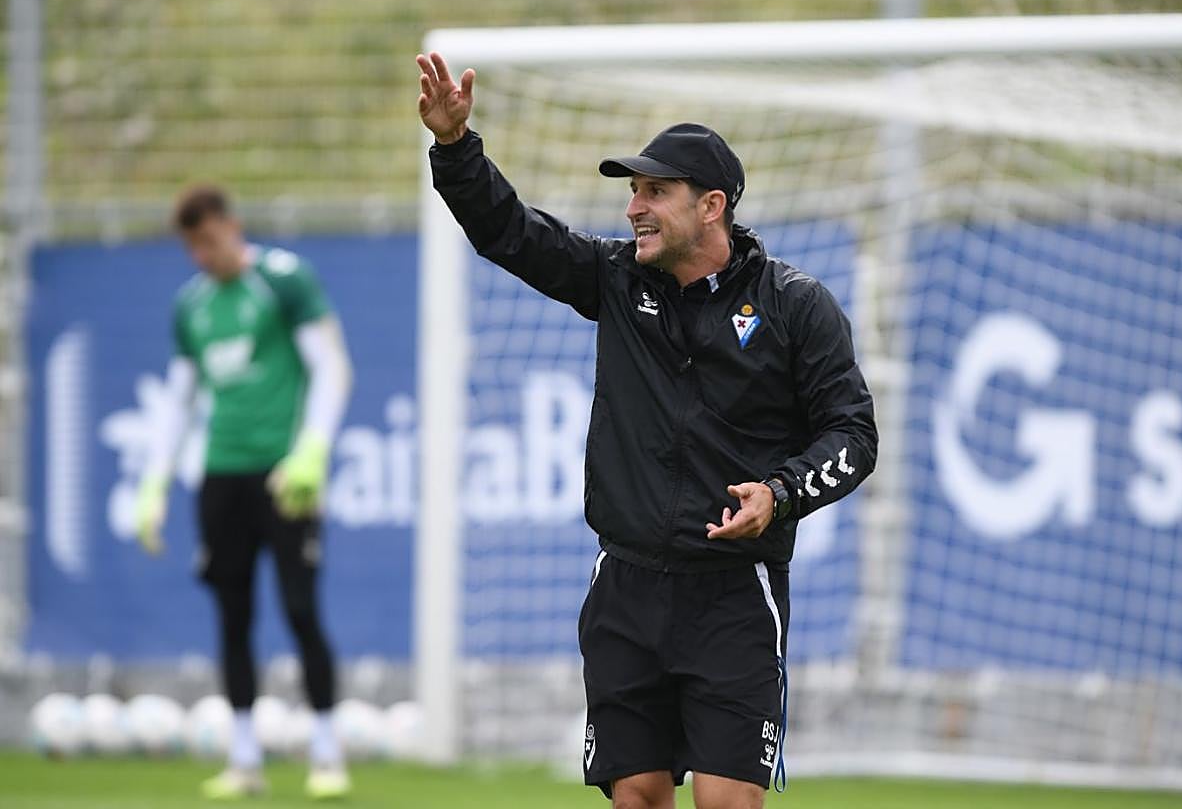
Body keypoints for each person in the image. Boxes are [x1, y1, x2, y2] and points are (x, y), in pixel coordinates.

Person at [416, 53, 878, 809]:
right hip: (627, 587)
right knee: (637, 796)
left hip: (733, 595)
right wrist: (456, 147)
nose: (635, 207)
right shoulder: (616, 279)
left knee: (727, 802)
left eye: (655, 192)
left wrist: (781, 493)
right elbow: (510, 233)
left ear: (711, 206)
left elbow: (854, 436)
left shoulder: (795, 305)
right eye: (633, 190)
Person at [133, 185, 354, 800]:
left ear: (230, 227)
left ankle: (328, 753)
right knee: (233, 616)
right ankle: (245, 758)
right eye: (190, 246)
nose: (200, 255)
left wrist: (313, 449)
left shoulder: (283, 281)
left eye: (206, 240)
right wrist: (154, 482)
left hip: (285, 476)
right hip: (221, 477)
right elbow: (179, 402)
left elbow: (331, 367)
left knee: (301, 609)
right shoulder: (192, 306)